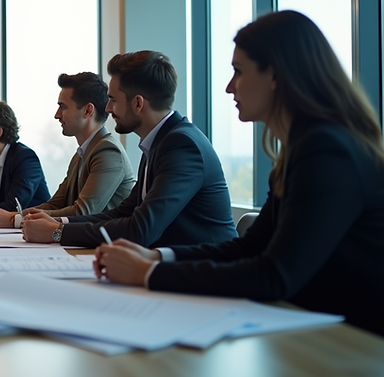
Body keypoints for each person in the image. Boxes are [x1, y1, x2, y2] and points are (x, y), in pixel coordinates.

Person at [93, 11, 384, 343]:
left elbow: (274, 275)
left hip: (370, 346)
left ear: (275, 74)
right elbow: (252, 246)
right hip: (329, 333)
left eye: (238, 72)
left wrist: (149, 273)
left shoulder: (327, 151)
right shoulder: (301, 147)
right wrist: (157, 257)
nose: (229, 87)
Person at [23, 50, 236, 247]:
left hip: (205, 277)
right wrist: (57, 223)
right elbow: (123, 213)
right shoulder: (159, 141)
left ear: (137, 104)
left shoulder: (181, 146)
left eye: (113, 100)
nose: (107, 108)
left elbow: (141, 228)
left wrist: (58, 232)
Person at [7, 72, 134, 225]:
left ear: (88, 111)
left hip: (103, 246)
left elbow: (83, 212)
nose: (57, 115)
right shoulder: (81, 154)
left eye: (62, 107)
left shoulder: (108, 151)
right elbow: (54, 204)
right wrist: (15, 216)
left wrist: (14, 219)